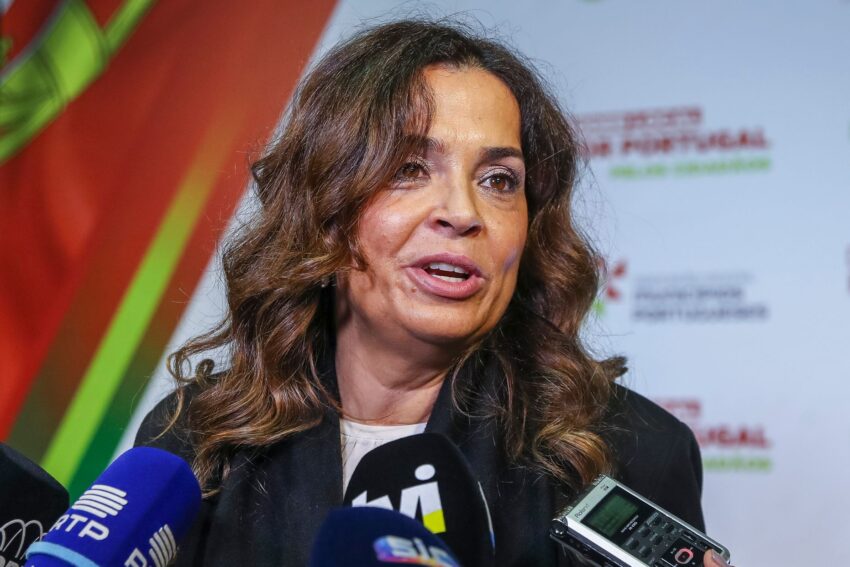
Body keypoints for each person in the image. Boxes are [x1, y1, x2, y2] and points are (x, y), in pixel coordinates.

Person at [136, 19, 727, 566]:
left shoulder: (631, 452)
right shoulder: (196, 441)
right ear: (324, 207)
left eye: (499, 180)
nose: (463, 213)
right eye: (410, 169)